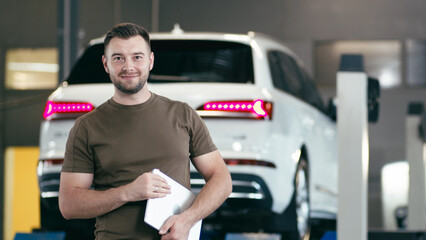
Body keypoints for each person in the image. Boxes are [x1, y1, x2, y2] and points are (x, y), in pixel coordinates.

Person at [59, 22, 232, 240]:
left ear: (150, 61)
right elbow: (69, 204)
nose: (128, 66)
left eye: (137, 57)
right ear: (106, 64)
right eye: (118, 58)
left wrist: (188, 219)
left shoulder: (182, 115)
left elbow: (222, 179)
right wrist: (128, 192)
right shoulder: (87, 126)